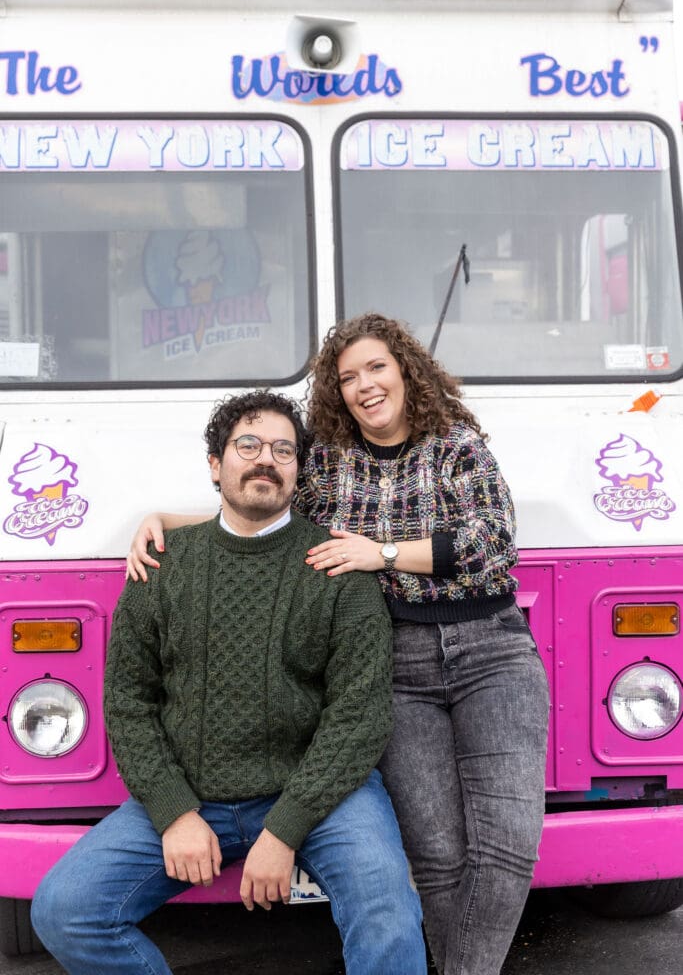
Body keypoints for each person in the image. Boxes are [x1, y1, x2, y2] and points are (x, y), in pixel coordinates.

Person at [126, 316, 550, 975]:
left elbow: (489, 546)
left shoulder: (457, 447)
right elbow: (262, 505)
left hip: (489, 650)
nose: (363, 386)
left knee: (507, 846)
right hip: (400, 657)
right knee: (435, 852)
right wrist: (162, 521)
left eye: (375, 368)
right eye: (347, 378)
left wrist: (376, 552)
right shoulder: (330, 461)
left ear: (405, 371)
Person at [31, 390, 427, 975]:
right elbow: (129, 702)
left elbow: (360, 716)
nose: (266, 459)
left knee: (389, 915)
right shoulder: (163, 563)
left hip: (319, 795)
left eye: (283, 450)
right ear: (216, 465)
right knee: (64, 910)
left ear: (297, 471)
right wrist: (173, 812)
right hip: (194, 795)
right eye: (248, 444)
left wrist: (285, 829)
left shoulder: (340, 566)